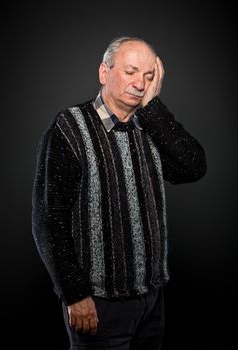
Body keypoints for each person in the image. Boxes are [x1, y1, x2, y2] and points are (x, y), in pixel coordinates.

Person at [32, 36, 207, 349]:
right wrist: (74, 293)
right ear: (104, 73)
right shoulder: (70, 128)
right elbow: (48, 218)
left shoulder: (150, 127)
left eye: (149, 76)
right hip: (98, 305)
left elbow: (193, 168)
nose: (140, 83)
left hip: (152, 301)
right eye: (130, 72)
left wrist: (153, 108)